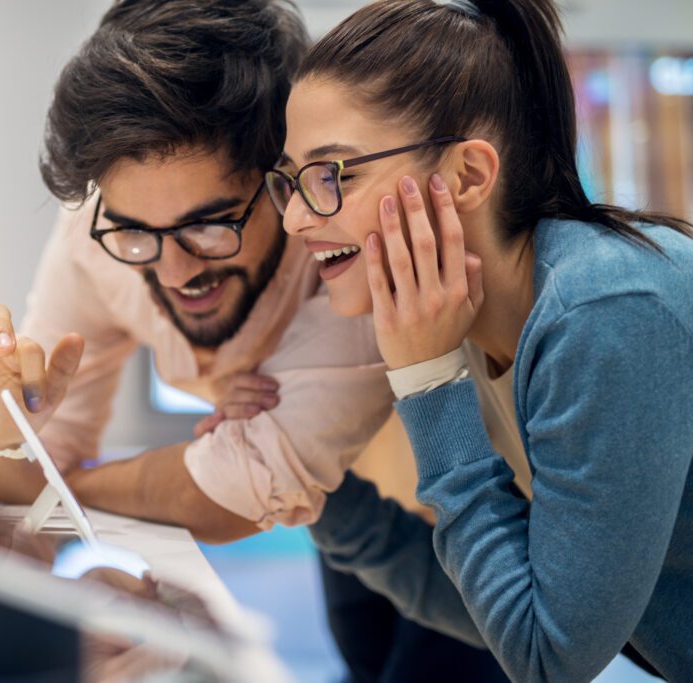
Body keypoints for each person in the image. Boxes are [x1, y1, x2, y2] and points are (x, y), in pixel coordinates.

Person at [0, 1, 507, 680]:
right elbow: (29, 472)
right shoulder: (97, 235)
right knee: (363, 658)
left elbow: (230, 494)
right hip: (344, 505)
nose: (174, 269)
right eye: (136, 231)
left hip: (469, 496)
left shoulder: (344, 247)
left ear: (285, 178)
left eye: (209, 224)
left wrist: (61, 484)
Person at [268, 0, 693, 680]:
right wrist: (332, 505)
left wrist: (428, 379)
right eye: (290, 181)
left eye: (332, 175)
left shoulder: (605, 311)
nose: (293, 217)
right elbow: (507, 612)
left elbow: (546, 657)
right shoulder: (469, 316)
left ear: (467, 176)